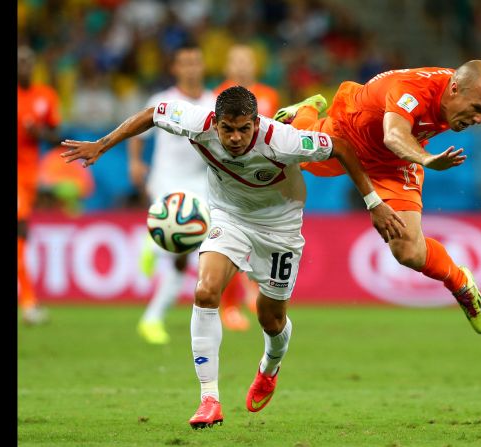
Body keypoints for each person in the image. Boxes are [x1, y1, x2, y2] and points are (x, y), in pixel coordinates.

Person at [60, 86, 405, 429]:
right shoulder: (198, 122)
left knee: (270, 319)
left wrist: (374, 203)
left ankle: (270, 368)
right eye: (228, 129)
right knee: (205, 292)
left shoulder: (282, 140)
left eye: (244, 129)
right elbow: (153, 114)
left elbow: (341, 147)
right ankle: (209, 399)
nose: (236, 138)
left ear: (257, 123)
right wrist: (102, 144)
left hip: (280, 228)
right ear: (216, 123)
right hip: (229, 217)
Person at [275, 26, 481, 335]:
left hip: (393, 162)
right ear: (455, 90)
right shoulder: (413, 91)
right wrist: (427, 159)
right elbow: (393, 134)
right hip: (347, 134)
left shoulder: (470, 86)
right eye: (476, 109)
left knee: (408, 252)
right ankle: (309, 106)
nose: (478, 119)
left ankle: (460, 282)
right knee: (294, 150)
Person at [128, 44, 253, 343]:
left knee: (185, 260)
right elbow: (140, 133)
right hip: (166, 181)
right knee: (183, 251)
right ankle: (156, 244)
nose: (191, 68)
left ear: (203, 67)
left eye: (196, 63)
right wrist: (134, 162)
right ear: (175, 68)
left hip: (200, 183)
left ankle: (152, 317)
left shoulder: (214, 102)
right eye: (185, 63)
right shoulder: (162, 100)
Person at [211, 43, 283, 328]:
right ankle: (229, 307)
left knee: (261, 242)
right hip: (231, 180)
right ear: (227, 66)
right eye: (236, 61)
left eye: (246, 61)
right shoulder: (216, 96)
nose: (241, 66)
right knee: (230, 243)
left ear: (255, 65)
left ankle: (255, 291)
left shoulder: (269, 95)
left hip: (264, 180)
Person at [17, 45, 61, 325]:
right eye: (19, 62)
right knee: (20, 233)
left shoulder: (46, 96)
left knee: (21, 237)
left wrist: (37, 132)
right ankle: (29, 301)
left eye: (27, 61)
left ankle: (29, 300)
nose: (24, 66)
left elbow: (56, 134)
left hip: (30, 175)